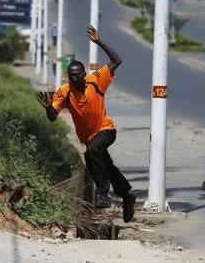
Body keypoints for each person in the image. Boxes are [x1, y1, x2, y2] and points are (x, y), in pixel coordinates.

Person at [37, 25, 136, 223]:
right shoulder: (65, 92)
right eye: (71, 77)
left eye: (77, 77)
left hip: (106, 129)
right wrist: (48, 108)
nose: (75, 81)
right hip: (89, 138)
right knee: (105, 164)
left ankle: (103, 193)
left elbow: (117, 60)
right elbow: (52, 117)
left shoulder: (96, 81)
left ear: (83, 75)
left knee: (92, 152)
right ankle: (127, 195)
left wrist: (99, 41)